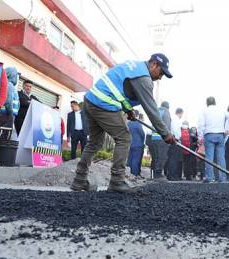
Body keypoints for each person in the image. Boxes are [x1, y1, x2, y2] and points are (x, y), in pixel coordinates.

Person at [70, 53, 175, 193]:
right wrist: (165, 133)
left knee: (94, 142)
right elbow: (152, 110)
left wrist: (127, 109)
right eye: (161, 72)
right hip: (103, 103)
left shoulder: (134, 66)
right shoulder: (144, 78)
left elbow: (119, 88)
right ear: (154, 64)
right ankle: (117, 180)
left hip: (91, 100)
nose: (160, 77)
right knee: (124, 138)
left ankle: (79, 180)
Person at [197, 96, 229, 183]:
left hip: (209, 135)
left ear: (207, 103)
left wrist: (200, 137)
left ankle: (210, 178)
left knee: (209, 157)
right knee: (221, 158)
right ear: (215, 102)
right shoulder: (221, 110)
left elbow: (201, 125)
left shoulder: (204, 111)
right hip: (220, 135)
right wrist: (227, 128)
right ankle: (222, 178)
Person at [0, 67, 19, 140]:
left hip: (3, 113)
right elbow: (8, 101)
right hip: (6, 114)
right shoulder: (9, 85)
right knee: (3, 135)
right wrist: (10, 114)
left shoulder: (5, 84)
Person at [151, 101, 171, 179]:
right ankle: (158, 174)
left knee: (156, 157)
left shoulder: (156, 111)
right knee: (162, 156)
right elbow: (167, 126)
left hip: (154, 137)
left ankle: (154, 174)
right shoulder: (166, 112)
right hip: (162, 138)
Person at [166, 107, 184, 180]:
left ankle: (171, 175)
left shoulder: (173, 119)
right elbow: (176, 130)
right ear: (180, 113)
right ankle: (172, 175)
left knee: (172, 158)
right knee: (174, 159)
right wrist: (179, 138)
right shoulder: (176, 119)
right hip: (175, 140)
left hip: (173, 140)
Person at [127, 110, 145, 178]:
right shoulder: (138, 123)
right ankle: (134, 174)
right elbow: (142, 134)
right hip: (138, 144)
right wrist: (143, 141)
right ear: (137, 115)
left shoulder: (129, 123)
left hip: (130, 144)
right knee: (136, 159)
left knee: (130, 159)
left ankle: (129, 173)